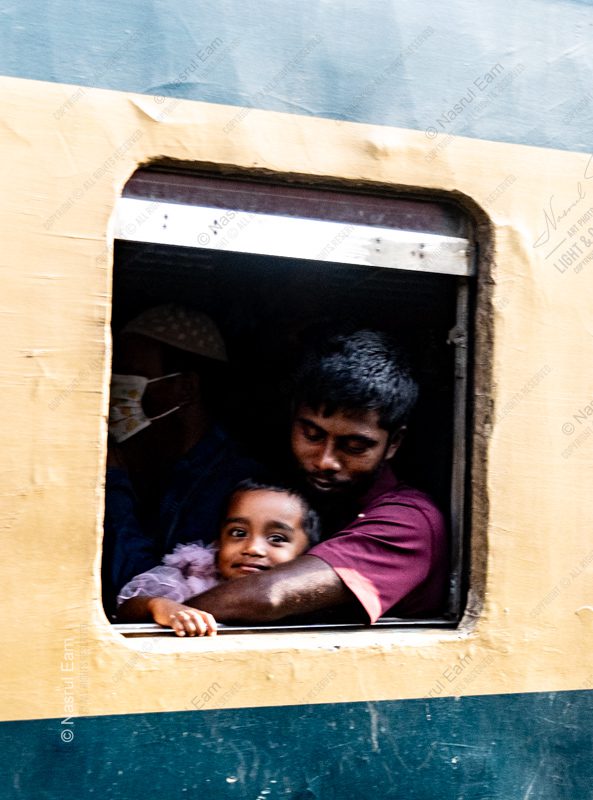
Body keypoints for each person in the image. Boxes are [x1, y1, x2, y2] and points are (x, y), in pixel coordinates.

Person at [118, 329, 448, 629]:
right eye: (311, 434)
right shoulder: (283, 495)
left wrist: (165, 614)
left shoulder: (409, 523)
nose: (325, 461)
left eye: (355, 446)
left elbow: (270, 595)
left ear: (394, 443)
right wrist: (152, 605)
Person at [102, 304, 260, 618]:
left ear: (185, 387)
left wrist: (114, 485)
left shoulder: (236, 485)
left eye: (131, 374)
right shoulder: (158, 460)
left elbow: (149, 586)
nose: (115, 387)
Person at [116, 480, 320, 636]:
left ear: (307, 553)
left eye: (276, 538)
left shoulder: (316, 598)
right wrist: (158, 606)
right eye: (238, 533)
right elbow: (126, 612)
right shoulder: (187, 581)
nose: (253, 548)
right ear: (218, 543)